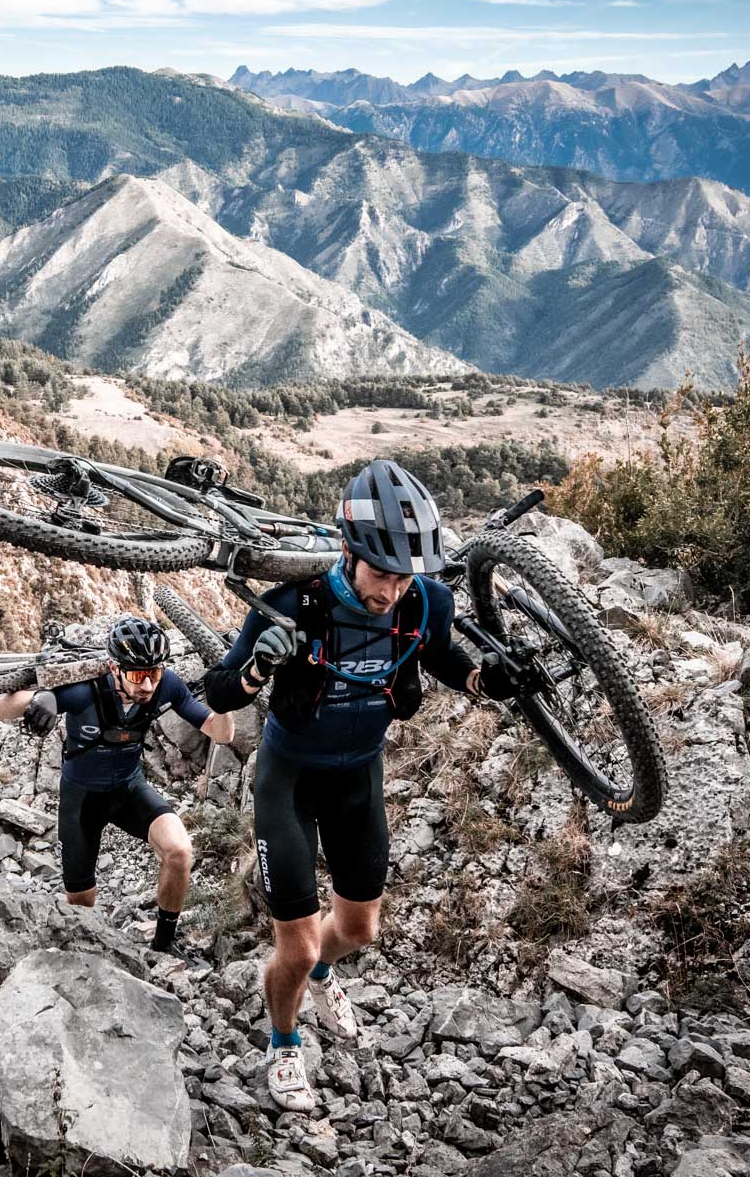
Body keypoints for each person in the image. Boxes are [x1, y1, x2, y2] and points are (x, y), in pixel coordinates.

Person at [201, 460, 517, 1113]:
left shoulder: (426, 601)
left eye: (405, 575)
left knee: (359, 930)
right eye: (382, 573)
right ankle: (283, 1042)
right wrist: (262, 666)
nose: (392, 590)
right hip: (287, 783)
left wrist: (486, 681)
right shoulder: (294, 600)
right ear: (349, 553)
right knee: (296, 942)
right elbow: (222, 688)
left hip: (358, 778)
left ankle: (322, 974)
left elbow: (443, 658)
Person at [0, 614, 235, 956]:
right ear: (114, 668)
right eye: (138, 675)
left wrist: (225, 703)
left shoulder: (167, 685)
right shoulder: (84, 690)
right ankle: (87, 953)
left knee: (179, 851)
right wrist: (38, 697)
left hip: (128, 790)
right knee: (80, 900)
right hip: (81, 799)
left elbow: (221, 734)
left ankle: (164, 945)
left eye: (153, 673)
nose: (148, 686)